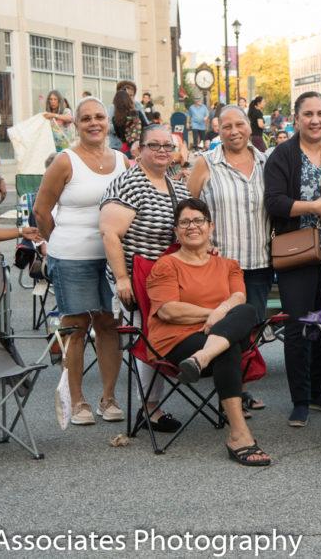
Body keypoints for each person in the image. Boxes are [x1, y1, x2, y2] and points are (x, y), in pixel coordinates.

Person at [146, 198, 272, 466]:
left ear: (210, 226)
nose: (192, 226)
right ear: (176, 230)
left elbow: (239, 298)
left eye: (198, 220)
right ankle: (239, 435)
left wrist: (222, 312)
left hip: (204, 346)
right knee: (228, 347)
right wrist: (214, 314)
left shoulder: (228, 265)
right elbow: (169, 311)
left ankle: (202, 359)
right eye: (185, 222)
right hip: (175, 340)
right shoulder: (166, 265)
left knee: (247, 311)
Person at [34, 97, 129, 426]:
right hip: (71, 256)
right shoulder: (65, 161)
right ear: (76, 124)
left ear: (108, 121)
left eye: (99, 117)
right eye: (86, 118)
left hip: (110, 258)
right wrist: (58, 242)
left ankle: (109, 397)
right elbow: (41, 212)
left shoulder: (122, 161)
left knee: (108, 325)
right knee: (76, 328)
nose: (93, 123)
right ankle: (76, 401)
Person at [264, 91, 321, 427]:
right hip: (297, 251)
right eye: (308, 114)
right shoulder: (282, 156)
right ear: (296, 118)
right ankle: (299, 399)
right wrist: (314, 207)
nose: (315, 120)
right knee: (299, 324)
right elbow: (275, 202)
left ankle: (317, 391)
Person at [100, 124, 191, 432]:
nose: (163, 150)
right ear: (138, 150)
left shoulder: (176, 186)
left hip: (167, 279)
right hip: (135, 277)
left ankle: (153, 405)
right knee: (148, 338)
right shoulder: (129, 184)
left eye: (168, 145)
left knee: (166, 335)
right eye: (155, 145)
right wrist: (122, 279)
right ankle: (149, 408)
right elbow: (110, 233)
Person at [189, 105, 273, 412]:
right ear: (217, 130)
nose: (234, 131)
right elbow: (191, 211)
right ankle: (229, 391)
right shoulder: (206, 163)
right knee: (225, 327)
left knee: (252, 330)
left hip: (260, 261)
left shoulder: (267, 161)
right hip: (222, 264)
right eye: (227, 126)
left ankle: (242, 388)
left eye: (240, 124)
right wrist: (203, 242)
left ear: (250, 127)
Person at [112, 89, 143, 157]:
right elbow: (147, 127)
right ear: (128, 101)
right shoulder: (138, 114)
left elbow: (119, 136)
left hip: (126, 149)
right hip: (141, 147)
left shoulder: (115, 119)